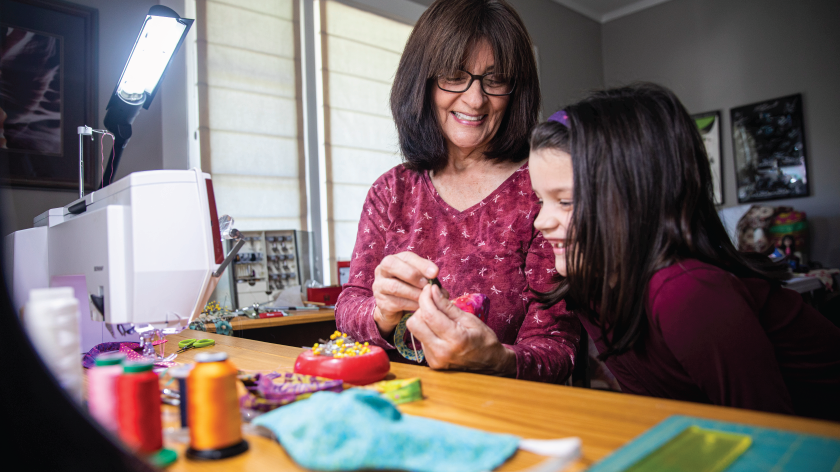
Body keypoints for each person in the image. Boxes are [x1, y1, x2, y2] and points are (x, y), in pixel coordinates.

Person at [528, 83, 840, 420]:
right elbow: (655, 413)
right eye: (541, 200)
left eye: (566, 201)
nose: (541, 221)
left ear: (636, 200)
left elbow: (770, 441)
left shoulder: (687, 292)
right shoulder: (588, 290)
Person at [335, 0, 579, 382]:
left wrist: (497, 359)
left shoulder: (543, 191)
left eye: (495, 80)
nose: (475, 99)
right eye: (453, 75)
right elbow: (350, 306)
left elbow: (559, 346)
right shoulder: (391, 191)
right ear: (423, 81)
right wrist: (380, 314)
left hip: (508, 411)